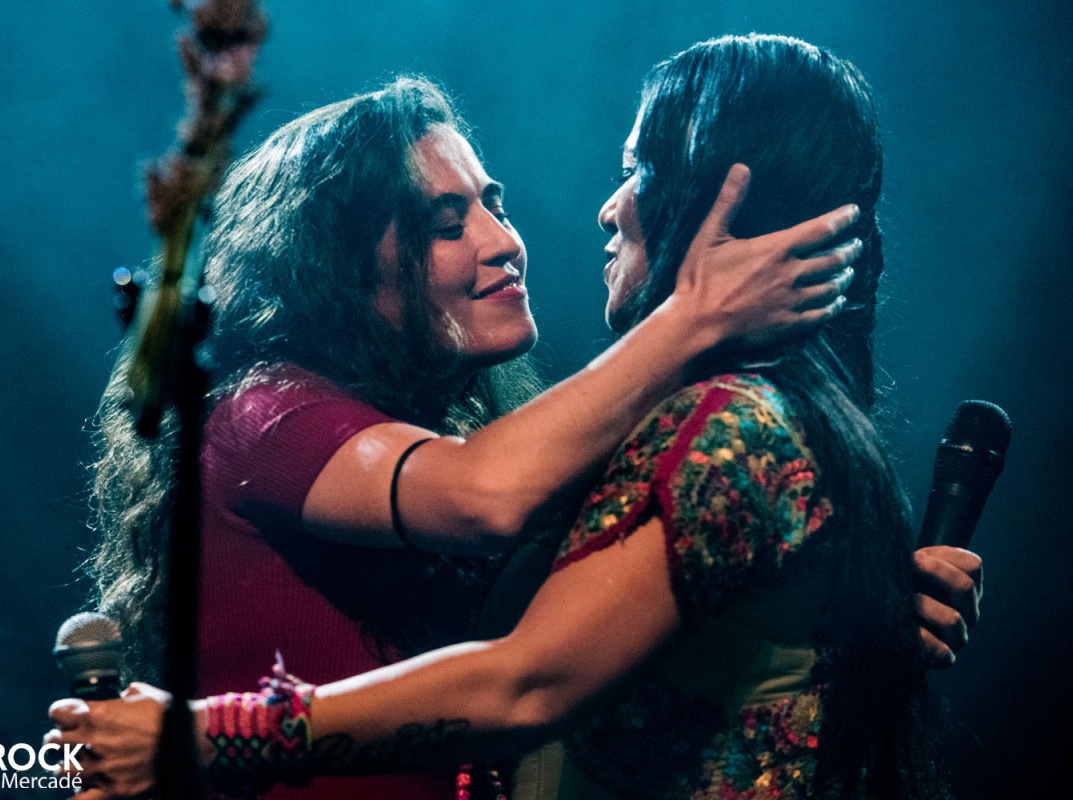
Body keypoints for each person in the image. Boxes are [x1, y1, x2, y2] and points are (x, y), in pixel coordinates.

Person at [54, 56, 980, 800]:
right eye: (444, 222)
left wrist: (834, 597)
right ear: (337, 267)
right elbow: (487, 508)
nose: (504, 241)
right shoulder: (263, 414)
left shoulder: (501, 432)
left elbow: (606, 617)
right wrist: (692, 316)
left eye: (493, 204)